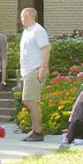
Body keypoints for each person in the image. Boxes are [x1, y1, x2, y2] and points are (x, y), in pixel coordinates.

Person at [18, 7, 49, 142]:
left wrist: (43, 68)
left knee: (30, 100)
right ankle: (35, 130)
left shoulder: (38, 30)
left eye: (22, 17)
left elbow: (46, 49)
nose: (21, 19)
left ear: (30, 16)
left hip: (35, 69)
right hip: (27, 71)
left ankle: (38, 132)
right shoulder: (27, 31)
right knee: (29, 101)